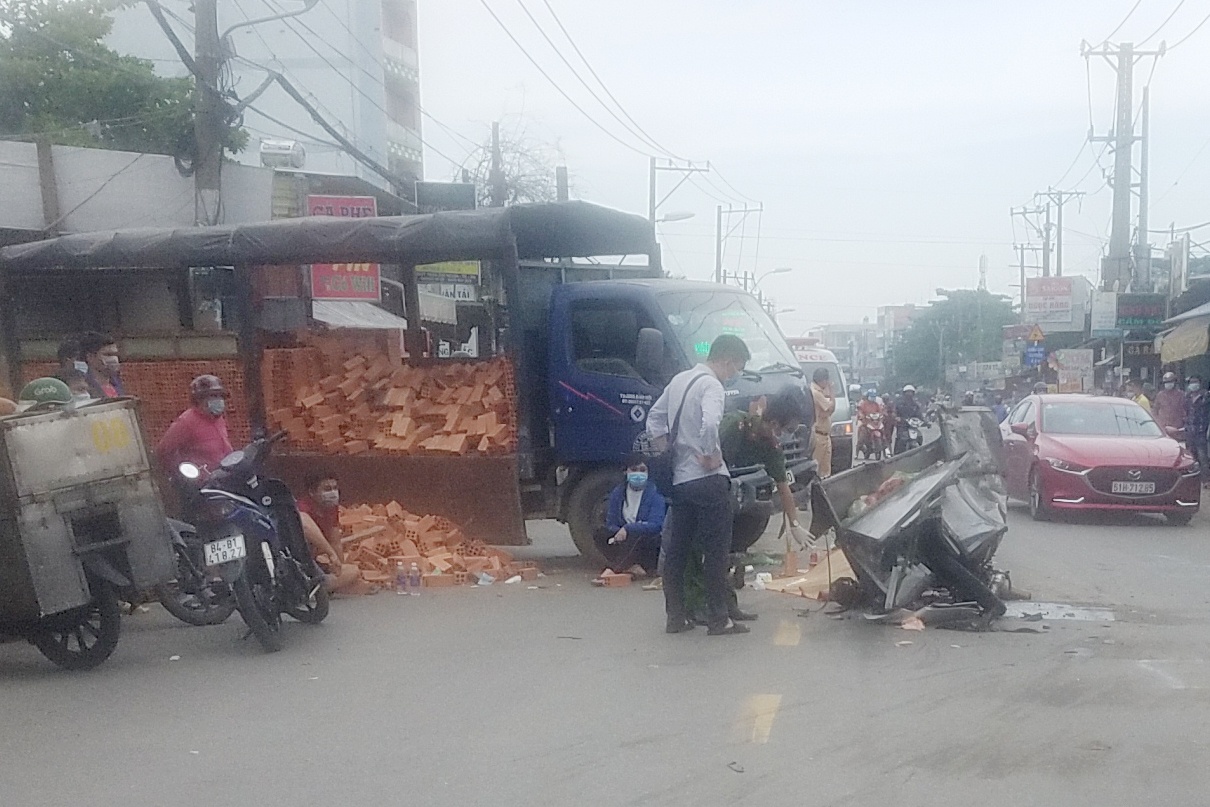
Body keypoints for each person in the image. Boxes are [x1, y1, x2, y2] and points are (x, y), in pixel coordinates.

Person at [646, 333, 750, 636]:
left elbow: (654, 419)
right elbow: (710, 422)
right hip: (709, 481)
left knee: (677, 551)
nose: (733, 375)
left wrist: (671, 449)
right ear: (727, 360)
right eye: (736, 368)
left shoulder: (679, 381)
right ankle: (719, 619)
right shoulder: (711, 385)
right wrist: (709, 454)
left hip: (681, 481)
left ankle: (675, 617)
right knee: (715, 552)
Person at [593, 455, 666, 579]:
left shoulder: (655, 494)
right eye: (634, 469)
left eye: (642, 470)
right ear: (626, 471)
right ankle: (630, 566)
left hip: (647, 539)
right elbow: (611, 522)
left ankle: (616, 570)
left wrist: (629, 529)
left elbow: (656, 525)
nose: (638, 474)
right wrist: (620, 533)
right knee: (600, 533)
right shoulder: (618, 493)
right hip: (623, 537)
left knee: (637, 536)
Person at [296, 470, 366, 595]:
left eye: (335, 488)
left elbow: (335, 542)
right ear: (312, 492)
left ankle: (324, 586)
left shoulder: (331, 509)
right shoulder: (302, 507)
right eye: (327, 489)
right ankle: (313, 588)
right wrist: (330, 553)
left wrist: (339, 566)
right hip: (297, 562)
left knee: (353, 570)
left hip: (313, 562)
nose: (333, 493)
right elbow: (305, 526)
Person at [155, 374, 234, 477]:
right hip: (203, 483)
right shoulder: (186, 422)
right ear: (199, 399)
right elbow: (163, 451)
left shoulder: (218, 419)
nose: (218, 400)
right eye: (213, 396)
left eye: (220, 396)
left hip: (224, 476)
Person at [79, 331, 124, 398]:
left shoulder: (116, 382)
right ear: (90, 357)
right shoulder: (83, 386)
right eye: (107, 355)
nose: (114, 359)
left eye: (115, 355)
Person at [809, 368, 836, 477]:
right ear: (822, 380)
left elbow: (830, 411)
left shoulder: (819, 392)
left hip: (825, 435)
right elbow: (830, 407)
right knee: (816, 467)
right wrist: (832, 392)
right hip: (819, 435)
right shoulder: (816, 393)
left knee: (825, 468)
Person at [1185, 376, 1210, 486]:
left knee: (1203, 457)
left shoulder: (1206, 397)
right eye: (1191, 382)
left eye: (1195, 382)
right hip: (1190, 431)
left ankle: (1206, 481)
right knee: (1191, 457)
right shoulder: (1187, 397)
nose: (1193, 384)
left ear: (1200, 383)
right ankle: (1193, 481)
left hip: (1201, 431)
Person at [892, 384, 924, 453]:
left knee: (919, 436)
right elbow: (894, 412)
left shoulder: (915, 404)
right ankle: (897, 453)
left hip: (912, 426)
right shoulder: (899, 403)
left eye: (911, 392)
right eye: (907, 392)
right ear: (904, 393)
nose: (909, 394)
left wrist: (926, 422)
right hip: (902, 425)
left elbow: (919, 414)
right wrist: (897, 418)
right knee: (901, 439)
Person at [856, 388, 886, 458]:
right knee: (862, 434)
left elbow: (880, 412)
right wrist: (861, 416)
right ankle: (857, 451)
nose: (872, 398)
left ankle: (885, 445)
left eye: (874, 396)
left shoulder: (876, 404)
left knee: (883, 429)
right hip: (865, 422)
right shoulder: (863, 404)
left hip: (874, 422)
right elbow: (860, 411)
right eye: (871, 396)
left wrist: (882, 415)